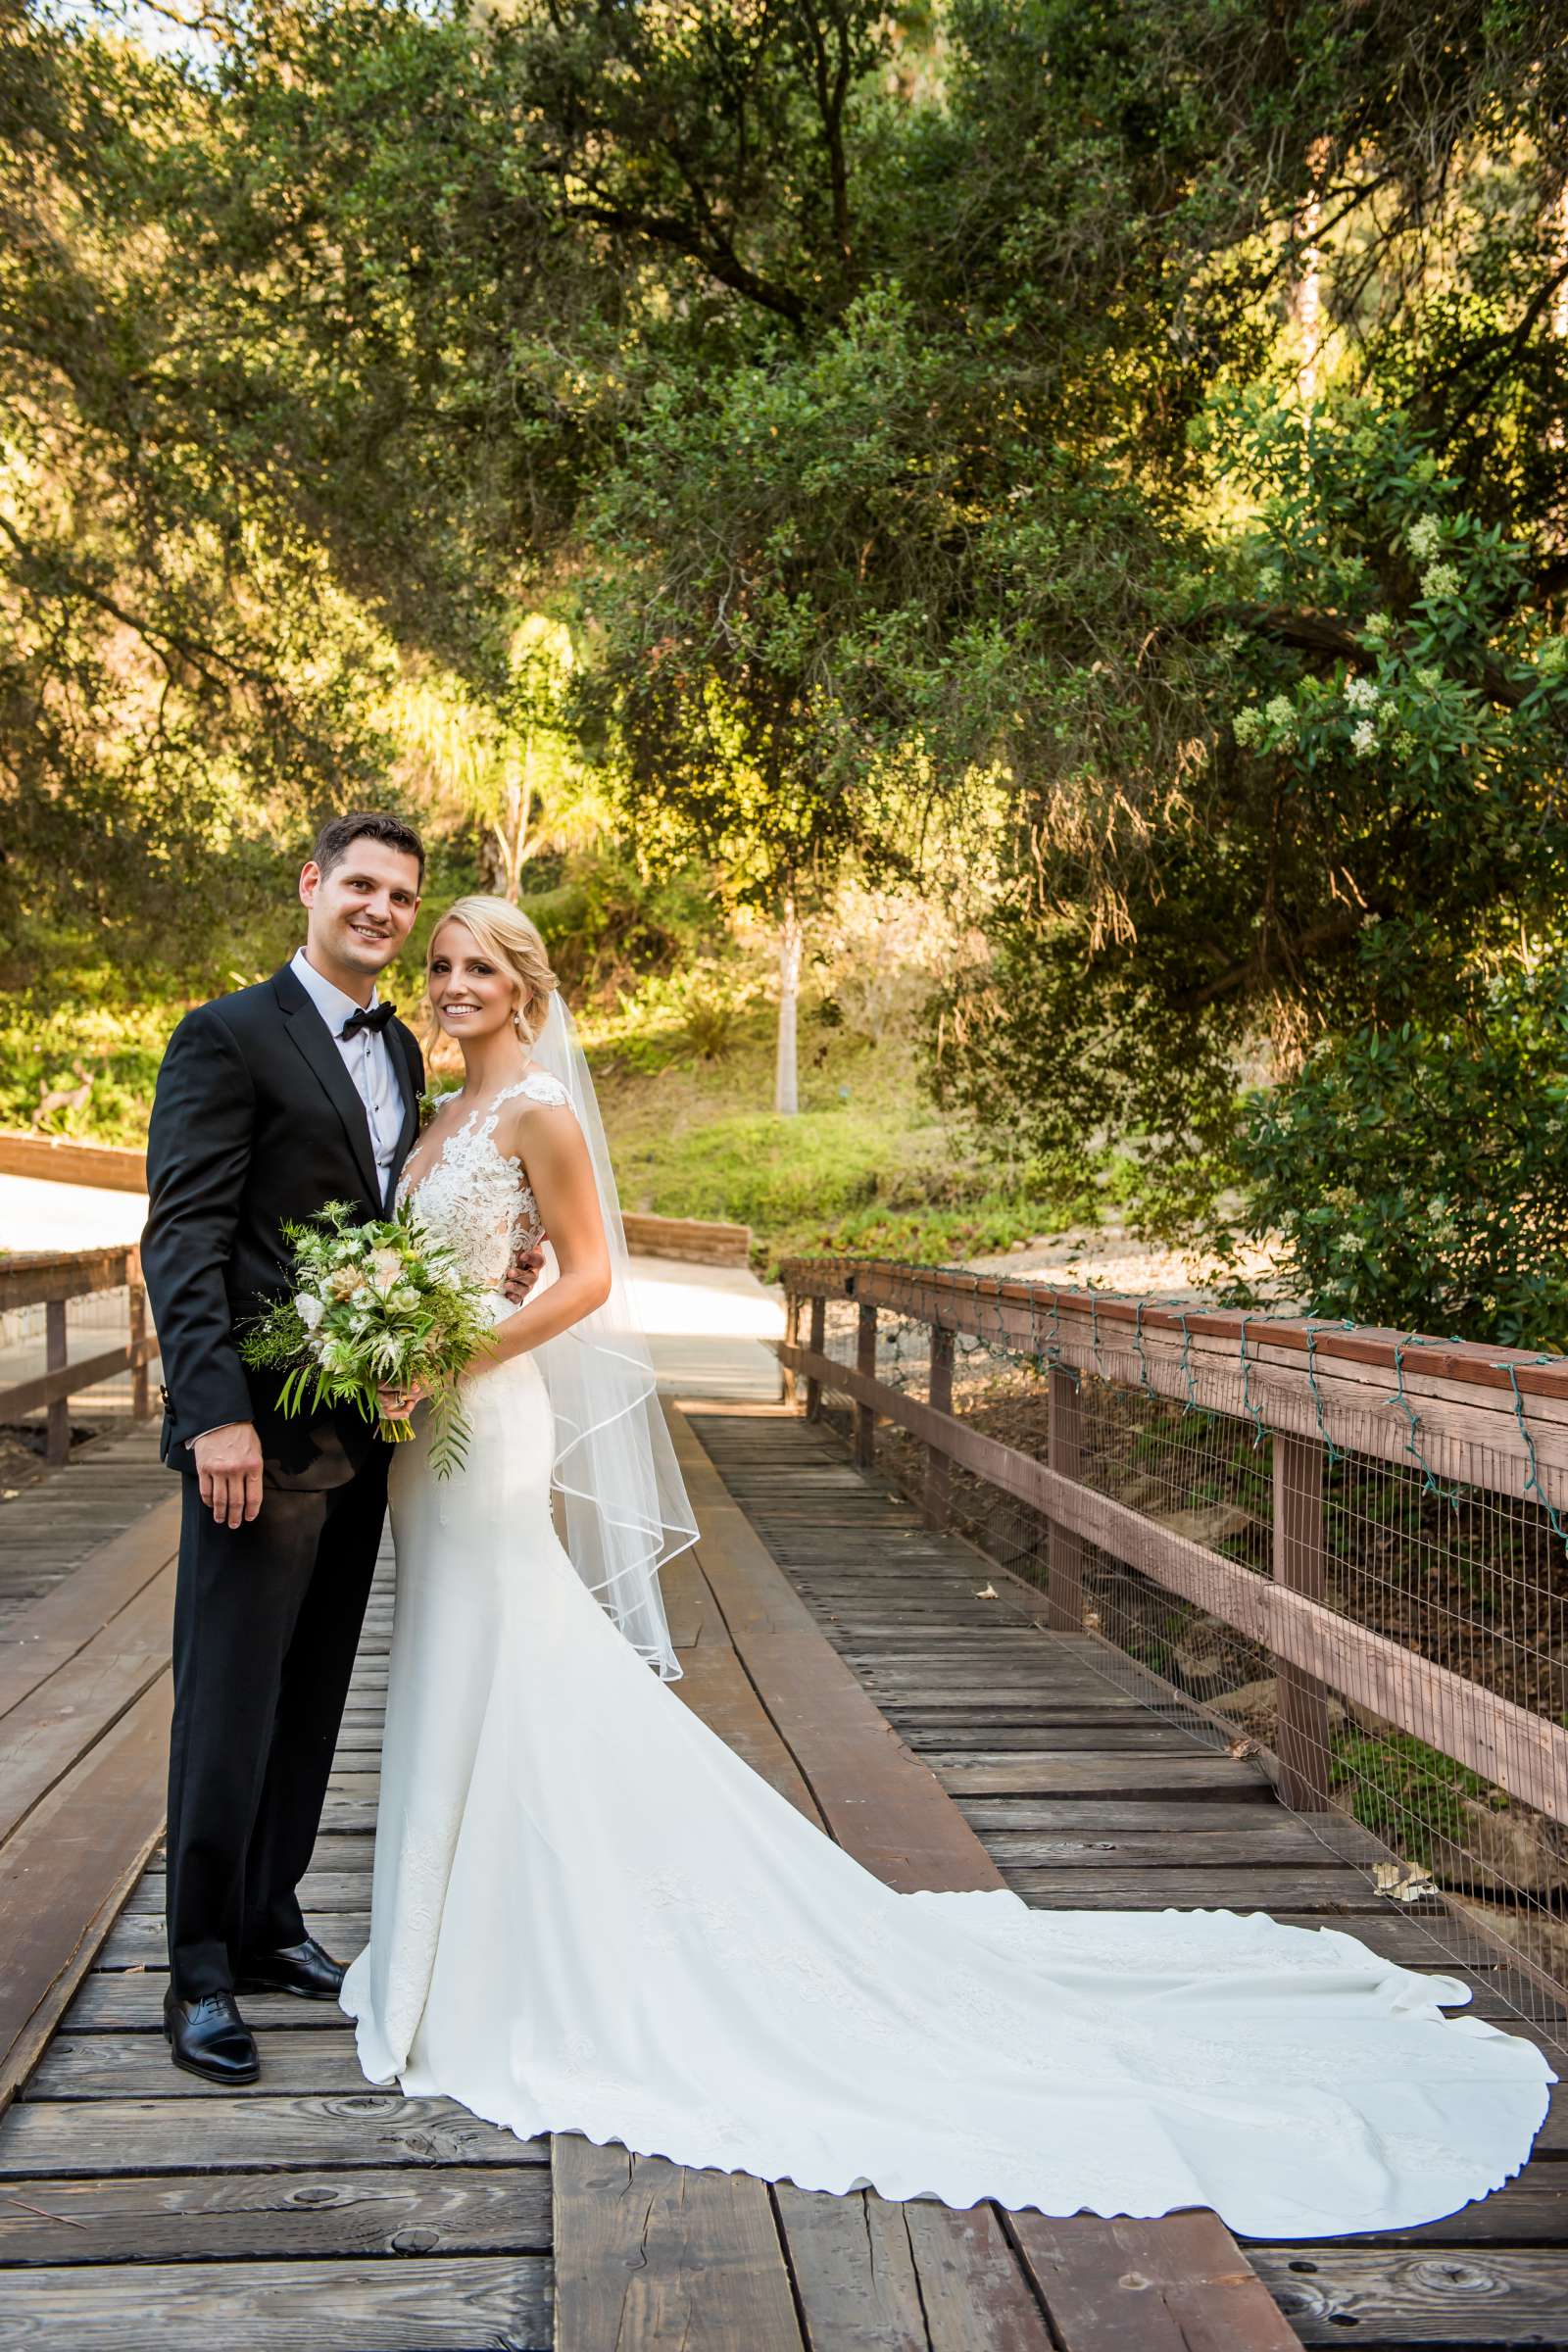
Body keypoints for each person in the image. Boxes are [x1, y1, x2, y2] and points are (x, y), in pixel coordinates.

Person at [342, 894, 1553, 2240]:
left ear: (522, 987)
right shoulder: (437, 1116)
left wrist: (456, 1353)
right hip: (421, 1437)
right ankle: (447, 1946)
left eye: (476, 968)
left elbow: (585, 1278)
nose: (451, 984)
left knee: (508, 1651)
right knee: (461, 1658)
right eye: (440, 967)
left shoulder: (538, 1118)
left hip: (485, 1419)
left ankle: (508, 1965)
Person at [140, 815, 539, 2082]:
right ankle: (200, 1969)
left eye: (400, 896)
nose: (380, 909)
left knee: (312, 1698)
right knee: (227, 1702)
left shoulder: (407, 1056)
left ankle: (268, 1921)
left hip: (368, 1437)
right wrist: (213, 1416)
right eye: (358, 885)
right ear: (310, 886)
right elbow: (185, 1237)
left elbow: (401, 1226)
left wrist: (498, 1266)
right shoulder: (224, 1037)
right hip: (252, 1436)